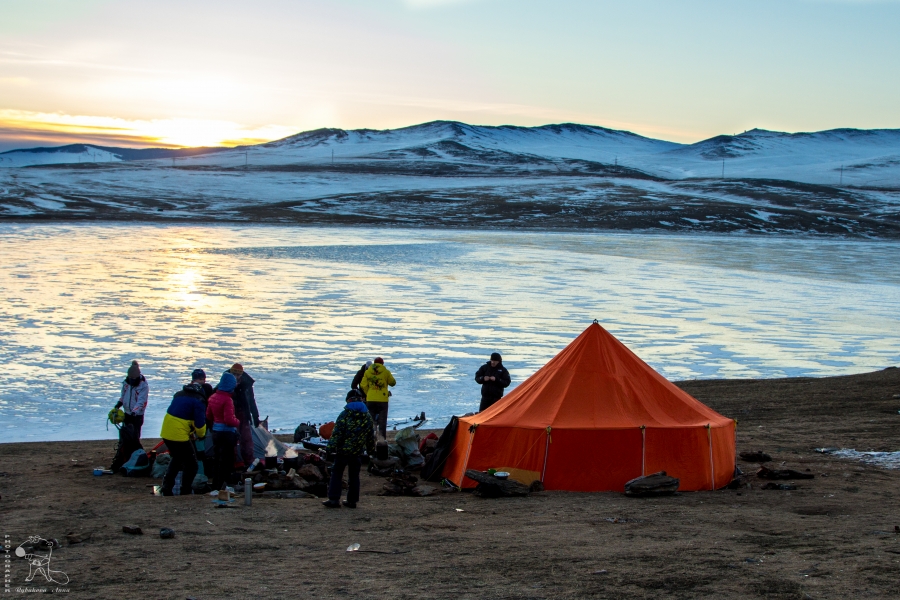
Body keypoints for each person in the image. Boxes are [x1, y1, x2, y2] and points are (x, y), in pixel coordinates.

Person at [323, 394, 376, 509]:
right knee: (354, 476)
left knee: (337, 473)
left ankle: (334, 499)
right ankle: (352, 501)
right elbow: (370, 437)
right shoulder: (366, 417)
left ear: (348, 401)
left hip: (343, 451)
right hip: (357, 452)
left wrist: (330, 448)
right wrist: (371, 451)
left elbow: (337, 434)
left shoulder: (345, 415)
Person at [159, 377, 208, 496]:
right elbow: (200, 423)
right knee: (192, 464)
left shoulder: (179, 395)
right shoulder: (199, 400)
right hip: (178, 435)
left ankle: (166, 487)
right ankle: (185, 490)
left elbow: (183, 415)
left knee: (176, 458)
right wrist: (201, 435)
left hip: (166, 430)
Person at [110, 360, 149, 472]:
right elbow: (123, 395)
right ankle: (123, 457)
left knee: (134, 437)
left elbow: (141, 401)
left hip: (137, 416)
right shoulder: (126, 383)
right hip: (127, 413)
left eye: (133, 379)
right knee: (124, 437)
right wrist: (119, 404)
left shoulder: (143, 386)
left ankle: (135, 457)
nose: (131, 381)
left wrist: (134, 412)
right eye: (130, 378)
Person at [206, 372, 240, 491]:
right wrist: (238, 422)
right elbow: (229, 420)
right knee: (227, 459)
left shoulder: (212, 397)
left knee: (217, 457)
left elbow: (208, 415)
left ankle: (216, 482)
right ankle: (225, 483)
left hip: (216, 431)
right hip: (227, 433)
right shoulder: (227, 400)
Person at [226, 363, 259, 468]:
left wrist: (255, 416)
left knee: (246, 439)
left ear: (241, 374)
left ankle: (249, 462)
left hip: (243, 414)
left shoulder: (246, 384)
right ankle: (232, 464)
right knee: (232, 440)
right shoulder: (225, 381)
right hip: (230, 414)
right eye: (233, 374)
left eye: (238, 374)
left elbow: (251, 401)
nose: (235, 376)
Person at [359, 357, 396, 439]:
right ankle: (382, 440)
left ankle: (371, 440)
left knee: (370, 421)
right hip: (383, 400)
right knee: (382, 422)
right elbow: (393, 383)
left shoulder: (367, 372)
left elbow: (363, 384)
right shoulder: (386, 372)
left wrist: (368, 393)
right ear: (382, 363)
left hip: (370, 399)